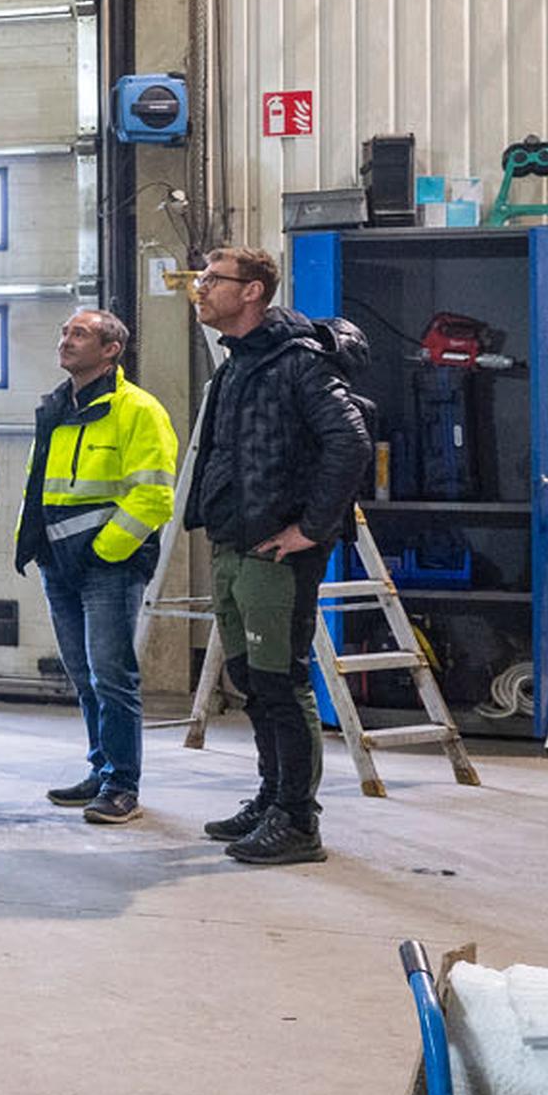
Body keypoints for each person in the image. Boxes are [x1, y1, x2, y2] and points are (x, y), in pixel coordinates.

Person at [180, 245, 373, 867]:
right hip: (235, 542)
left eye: (214, 280)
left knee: (280, 683)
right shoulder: (237, 365)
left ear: (253, 291)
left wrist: (311, 529)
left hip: (276, 551)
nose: (201, 289)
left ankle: (298, 821)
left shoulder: (298, 362)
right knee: (249, 682)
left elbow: (349, 441)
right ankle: (271, 797)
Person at [14, 308, 178, 825]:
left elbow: (153, 497)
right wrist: (34, 544)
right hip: (58, 565)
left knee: (113, 677)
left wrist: (103, 552)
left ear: (111, 350)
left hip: (109, 567)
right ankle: (101, 767)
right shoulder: (58, 407)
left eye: (79, 334)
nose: (66, 340)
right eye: (64, 331)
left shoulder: (138, 409)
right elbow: (42, 486)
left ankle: (122, 784)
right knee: (83, 676)